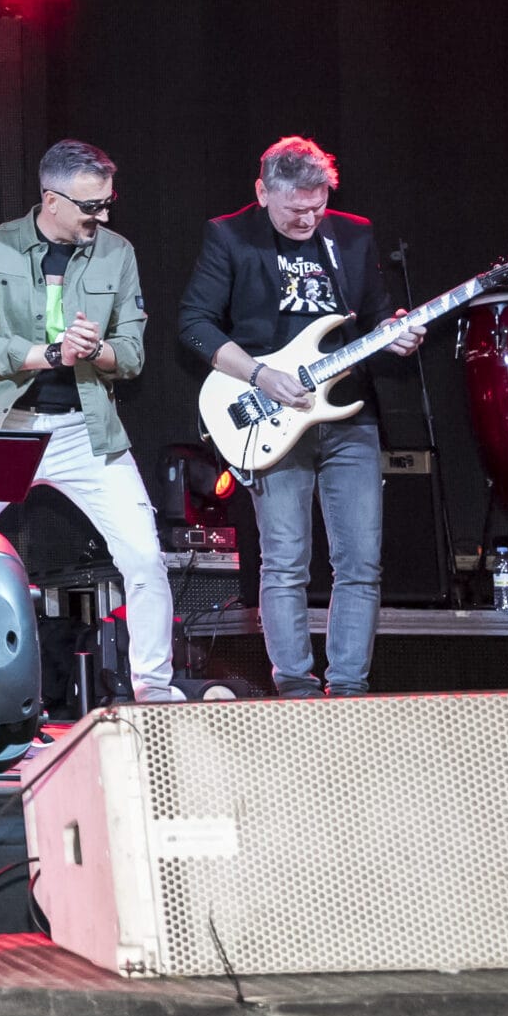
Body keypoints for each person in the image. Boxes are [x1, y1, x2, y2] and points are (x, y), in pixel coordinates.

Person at [179, 136, 423, 698]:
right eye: (295, 210)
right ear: (263, 191)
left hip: (348, 414)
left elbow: (376, 316)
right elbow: (193, 324)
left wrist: (396, 334)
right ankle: (294, 686)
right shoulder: (230, 235)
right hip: (272, 414)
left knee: (360, 561)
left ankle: (349, 687)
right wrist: (260, 375)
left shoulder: (352, 234)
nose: (308, 220)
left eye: (317, 207)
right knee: (286, 561)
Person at [0, 139, 181, 703]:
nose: (101, 216)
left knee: (144, 557)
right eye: (90, 206)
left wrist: (96, 349)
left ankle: (154, 690)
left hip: (86, 430)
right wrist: (52, 353)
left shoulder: (117, 253)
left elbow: (132, 355)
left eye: (107, 203)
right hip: (4, 428)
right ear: (50, 200)